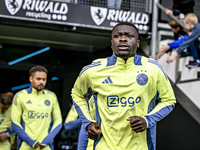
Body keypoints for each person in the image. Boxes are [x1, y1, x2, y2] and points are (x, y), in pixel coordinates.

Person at [71, 22, 176, 150]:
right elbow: (76, 94)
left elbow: (169, 100)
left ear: (138, 43)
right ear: (111, 43)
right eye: (117, 36)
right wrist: (88, 123)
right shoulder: (93, 70)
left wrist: (148, 120)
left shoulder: (153, 69)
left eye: (129, 36)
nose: (123, 39)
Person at [11, 65, 62, 150]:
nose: (41, 82)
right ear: (31, 79)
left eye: (44, 79)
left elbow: (58, 121)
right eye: (38, 79)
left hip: (45, 146)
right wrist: (31, 142)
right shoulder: (20, 96)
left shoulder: (52, 96)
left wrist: (47, 140)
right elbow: (15, 122)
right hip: (26, 145)